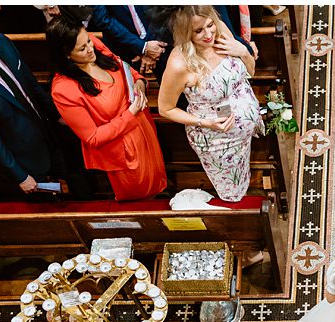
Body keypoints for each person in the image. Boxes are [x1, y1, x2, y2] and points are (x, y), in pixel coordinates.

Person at [0, 6, 90, 200]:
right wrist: (20, 176)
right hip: (28, 158)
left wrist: (58, 116)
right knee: (53, 204)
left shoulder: (3, 42)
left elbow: (31, 85)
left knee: (78, 185)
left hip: (50, 134)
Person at [47, 17, 167, 201]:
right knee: (142, 197)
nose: (90, 48)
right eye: (82, 48)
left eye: (88, 40)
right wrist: (129, 114)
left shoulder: (92, 46)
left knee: (157, 183)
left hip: (143, 130)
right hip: (123, 151)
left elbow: (126, 70)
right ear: (66, 55)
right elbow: (93, 137)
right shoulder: (64, 89)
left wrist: (140, 85)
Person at [157, 5, 262, 204]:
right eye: (198, 31)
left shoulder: (220, 30)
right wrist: (206, 123)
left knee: (244, 173)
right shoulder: (179, 64)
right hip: (216, 139)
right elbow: (166, 109)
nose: (208, 34)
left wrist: (244, 52)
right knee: (231, 190)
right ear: (185, 32)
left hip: (245, 128)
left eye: (209, 25)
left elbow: (250, 73)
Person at [89, 5, 167, 76]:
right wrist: (142, 46)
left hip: (157, 44)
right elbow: (103, 20)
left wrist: (150, 46)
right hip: (125, 50)